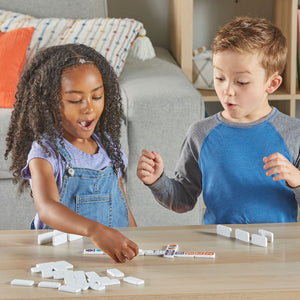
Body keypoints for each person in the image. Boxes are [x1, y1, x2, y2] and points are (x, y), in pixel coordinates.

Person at [137, 17, 300, 224]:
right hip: (221, 247)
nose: (227, 91)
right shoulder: (200, 133)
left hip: (278, 252)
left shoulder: (294, 133)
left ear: (272, 84)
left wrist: (297, 180)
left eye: (242, 82)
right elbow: (183, 200)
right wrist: (157, 181)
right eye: (219, 78)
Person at [5, 43, 139, 262]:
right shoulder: (46, 153)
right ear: (50, 103)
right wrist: (95, 230)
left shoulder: (109, 147)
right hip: (59, 258)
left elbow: (122, 204)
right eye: (75, 100)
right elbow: (47, 208)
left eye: (96, 97)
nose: (88, 108)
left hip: (109, 256)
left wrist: (135, 237)